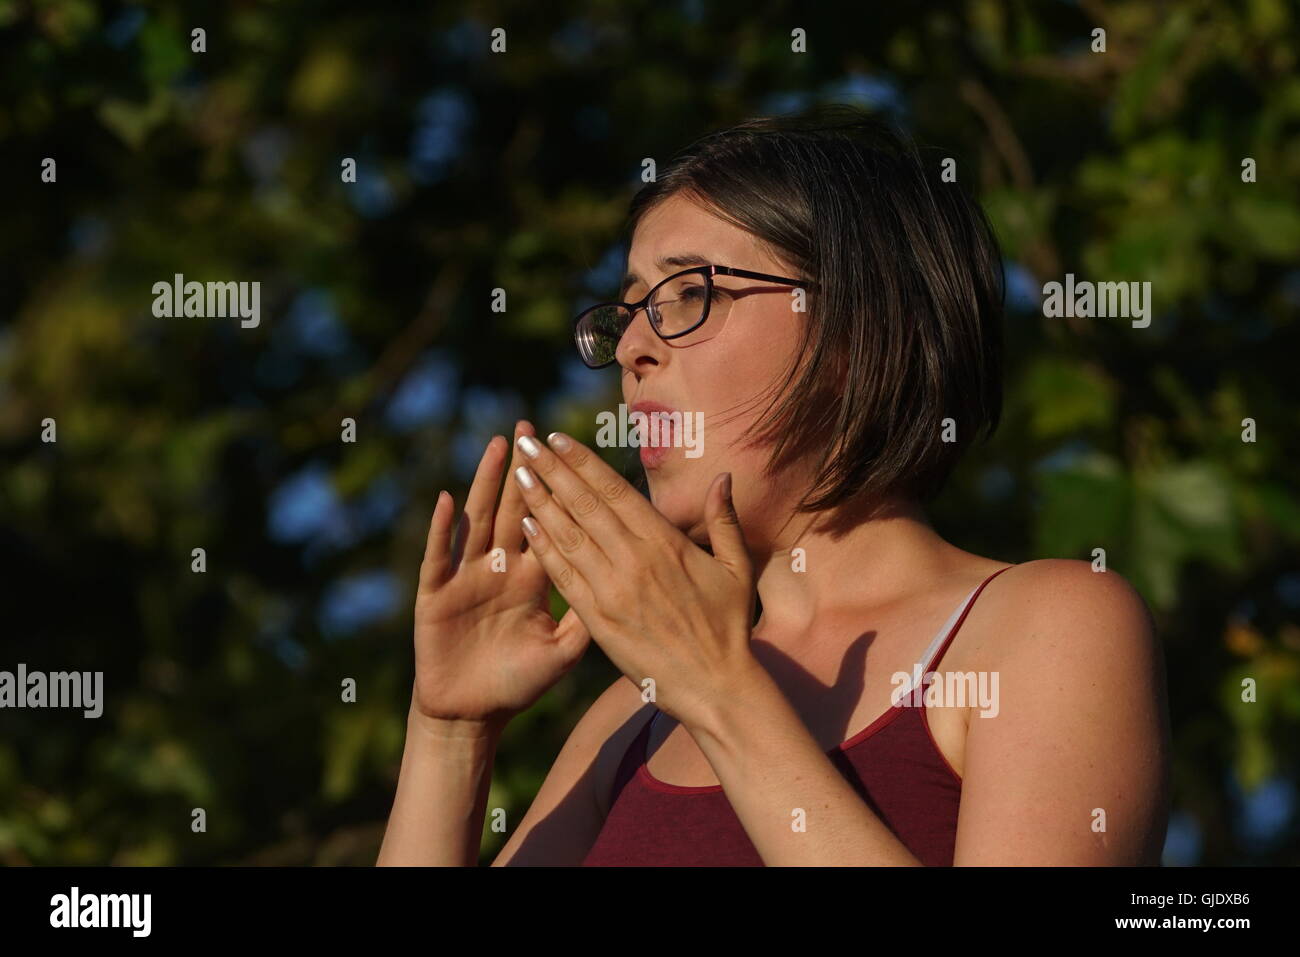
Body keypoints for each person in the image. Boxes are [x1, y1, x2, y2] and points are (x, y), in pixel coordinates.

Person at [377, 106, 1170, 866]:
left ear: (857, 331)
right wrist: (449, 731)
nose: (633, 350)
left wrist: (722, 695)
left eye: (689, 295)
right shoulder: (633, 717)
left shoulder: (1047, 625)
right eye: (625, 315)